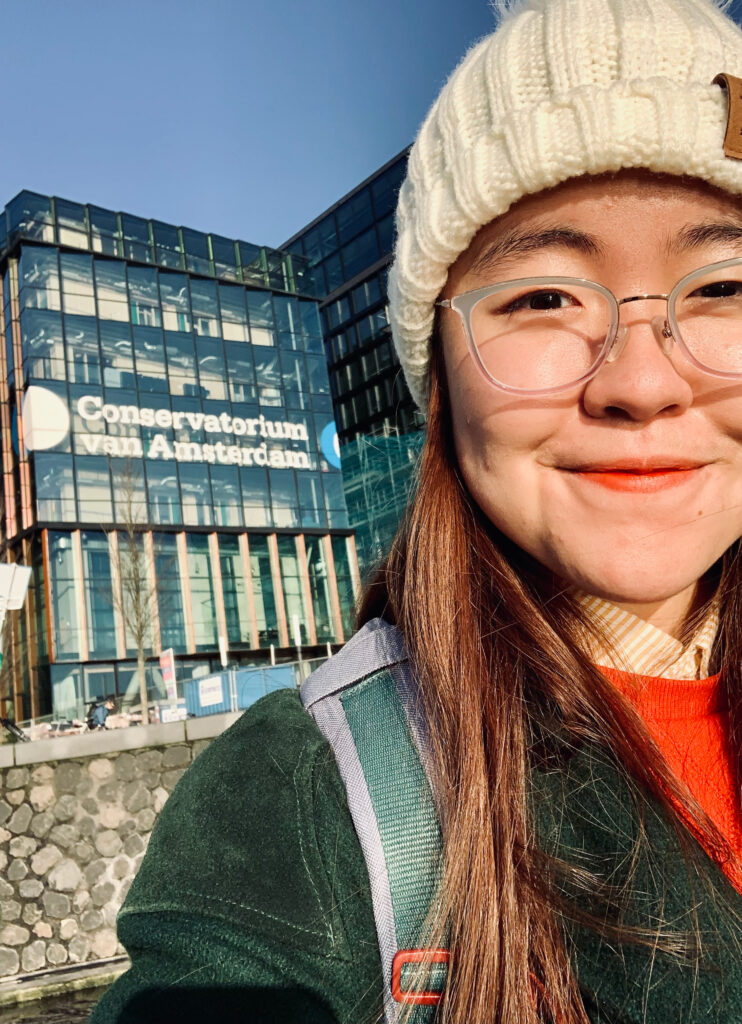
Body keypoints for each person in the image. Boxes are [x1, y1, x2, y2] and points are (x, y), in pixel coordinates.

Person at [92, 0, 742, 1020]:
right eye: (540, 298)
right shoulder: (314, 801)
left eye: (723, 285)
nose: (641, 381)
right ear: (440, 383)